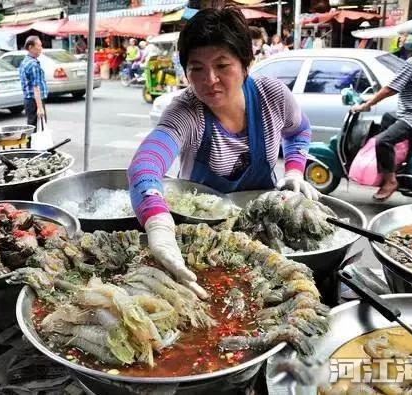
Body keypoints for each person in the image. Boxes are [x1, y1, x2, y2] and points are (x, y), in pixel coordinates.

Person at [127, 6, 318, 297]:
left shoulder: (272, 96)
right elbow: (145, 165)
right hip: (203, 242)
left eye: (222, 65)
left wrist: (294, 169)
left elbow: (299, 130)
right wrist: (158, 223)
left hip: (265, 232)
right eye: (197, 68)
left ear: (245, 64)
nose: (210, 80)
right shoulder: (186, 111)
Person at [352, 23, 412, 201]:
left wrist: (365, 105)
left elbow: (390, 89)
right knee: (388, 117)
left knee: (382, 141)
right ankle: (392, 162)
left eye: (405, 35)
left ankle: (390, 180)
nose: (401, 38)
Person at [19, 36, 48, 148]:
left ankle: (31, 149)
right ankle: (35, 150)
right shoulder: (33, 64)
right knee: (37, 128)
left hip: (28, 100)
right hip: (34, 100)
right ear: (31, 47)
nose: (41, 48)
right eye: (39, 46)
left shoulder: (25, 61)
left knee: (32, 126)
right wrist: (40, 107)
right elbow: (35, 87)